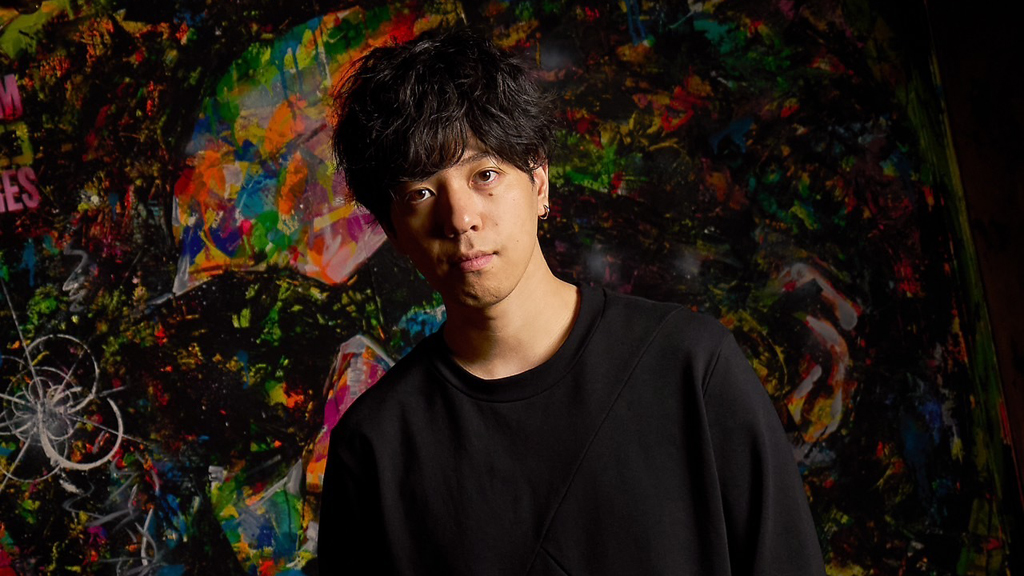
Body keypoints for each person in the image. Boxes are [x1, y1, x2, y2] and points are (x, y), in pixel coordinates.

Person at [317, 27, 826, 576]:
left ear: (538, 182)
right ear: (394, 231)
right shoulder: (373, 448)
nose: (460, 218)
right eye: (420, 193)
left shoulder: (690, 365)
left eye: (485, 175)